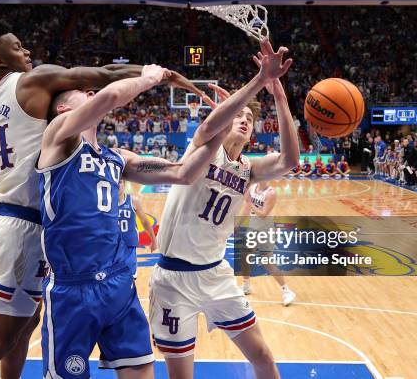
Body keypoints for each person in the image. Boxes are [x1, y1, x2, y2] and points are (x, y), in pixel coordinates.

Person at [0, 19, 201, 379]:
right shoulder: (32, 80)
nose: (26, 51)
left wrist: (11, 181)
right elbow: (104, 75)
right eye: (17, 46)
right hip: (25, 226)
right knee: (1, 337)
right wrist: (158, 73)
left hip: (8, 219)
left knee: (24, 326)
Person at [36, 64, 231, 378]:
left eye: (92, 91)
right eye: (84, 92)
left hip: (119, 286)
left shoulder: (117, 158)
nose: (91, 92)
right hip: (73, 290)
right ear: (63, 109)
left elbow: (183, 172)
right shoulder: (59, 137)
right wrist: (148, 79)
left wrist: (222, 127)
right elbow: (111, 94)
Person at [150, 40, 299, 379]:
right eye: (239, 115)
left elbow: (290, 160)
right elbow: (208, 127)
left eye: (249, 118)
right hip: (174, 279)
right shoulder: (204, 150)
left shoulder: (249, 169)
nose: (244, 120)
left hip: (216, 275)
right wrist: (259, 80)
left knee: (262, 355)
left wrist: (279, 96)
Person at [240, 181, 296, 305]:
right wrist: (238, 223)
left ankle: (286, 291)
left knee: (267, 262)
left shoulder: (271, 193)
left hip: (266, 229)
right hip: (253, 228)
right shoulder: (252, 188)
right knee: (245, 256)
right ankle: (246, 285)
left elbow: (263, 214)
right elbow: (246, 207)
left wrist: (250, 203)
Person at [118, 178, 157, 278]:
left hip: (129, 246)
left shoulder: (133, 201)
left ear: (125, 184)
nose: (118, 185)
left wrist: (153, 240)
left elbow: (145, 222)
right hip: (112, 246)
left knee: (131, 277)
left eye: (120, 182)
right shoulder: (105, 203)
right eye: (115, 182)